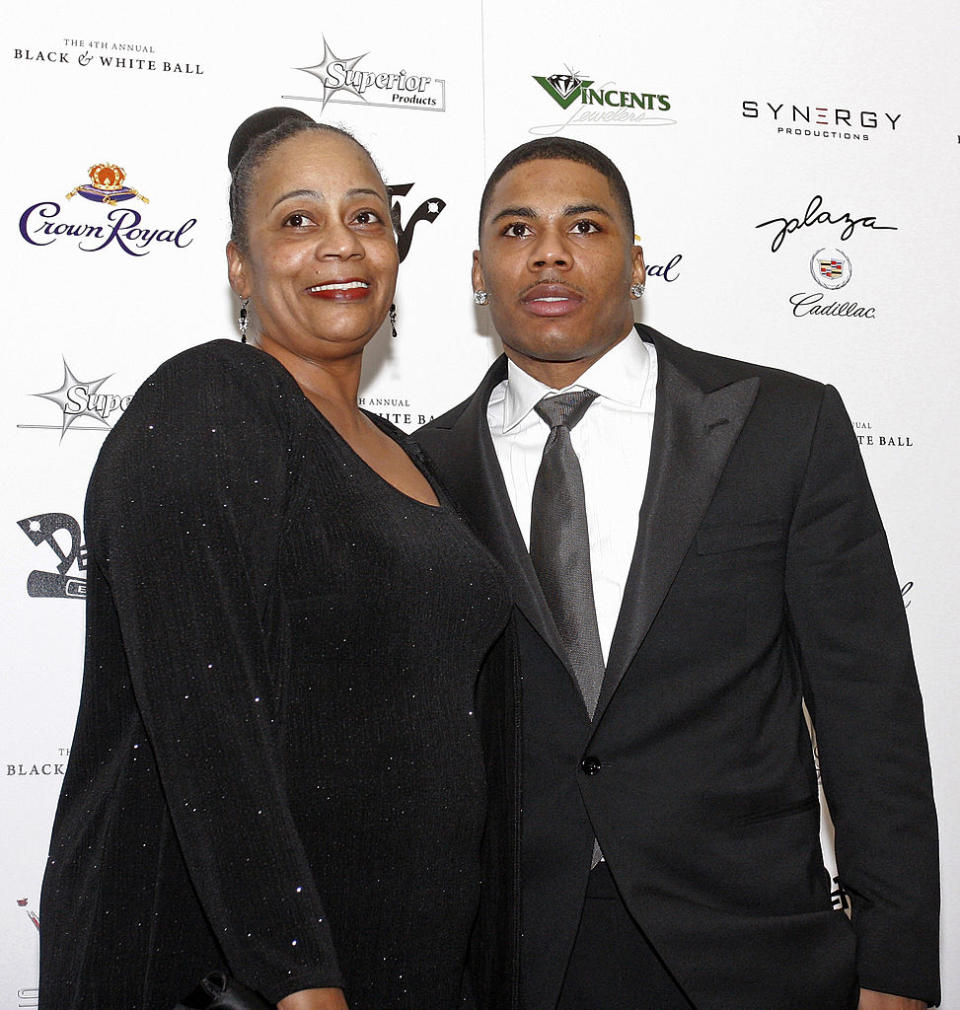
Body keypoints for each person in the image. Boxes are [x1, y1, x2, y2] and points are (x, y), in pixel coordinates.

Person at [416, 138, 939, 1010]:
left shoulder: (785, 425)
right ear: (479, 272)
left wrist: (898, 959)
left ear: (638, 262)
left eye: (584, 225)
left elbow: (869, 707)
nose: (550, 251)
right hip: (514, 958)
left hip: (752, 949)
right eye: (517, 230)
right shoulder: (421, 470)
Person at [38, 108, 515, 1010]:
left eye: (367, 217)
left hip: (406, 956)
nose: (341, 245)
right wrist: (296, 978)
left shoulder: (407, 456)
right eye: (299, 221)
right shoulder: (210, 400)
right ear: (238, 267)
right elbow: (205, 718)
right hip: (252, 972)